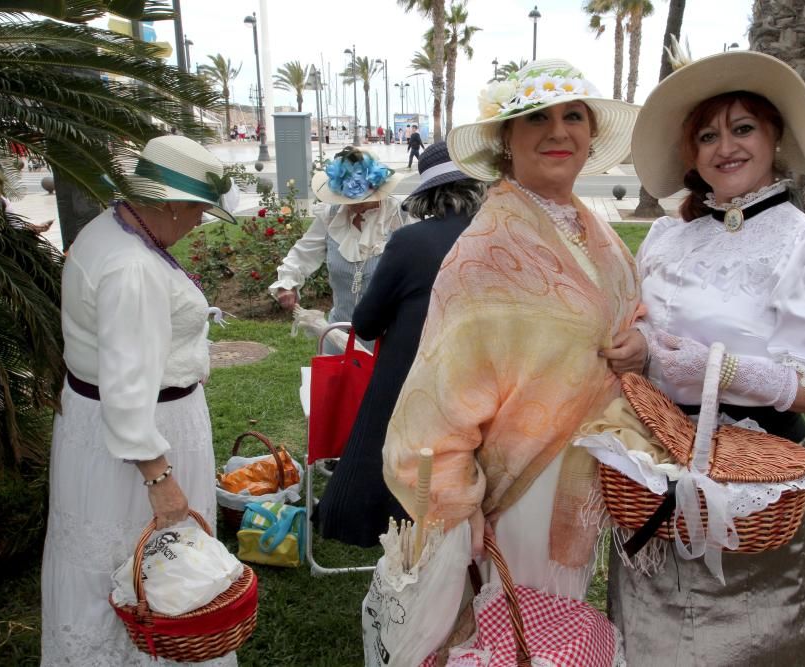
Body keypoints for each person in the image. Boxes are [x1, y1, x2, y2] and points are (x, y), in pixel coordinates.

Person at [610, 50, 805, 665]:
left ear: (775, 136)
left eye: (742, 127)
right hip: (650, 469)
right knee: (646, 632)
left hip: (749, 482)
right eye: (707, 135)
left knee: (740, 641)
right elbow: (653, 329)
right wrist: (643, 347)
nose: (724, 146)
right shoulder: (668, 235)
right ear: (691, 153)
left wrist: (722, 370)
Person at [381, 58, 643, 657]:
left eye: (573, 116)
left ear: (591, 133)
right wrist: (454, 504)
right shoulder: (486, 251)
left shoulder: (591, 229)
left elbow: (627, 312)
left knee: (558, 618)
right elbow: (439, 393)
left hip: (583, 472)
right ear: (507, 141)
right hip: (515, 486)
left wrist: (642, 345)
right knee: (513, 626)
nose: (558, 132)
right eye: (536, 119)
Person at [41, 135, 239, 665]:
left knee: (106, 558)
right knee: (147, 559)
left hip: (98, 432)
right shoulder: (134, 268)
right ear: (169, 203)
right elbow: (128, 391)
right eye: (198, 209)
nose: (199, 222)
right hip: (141, 442)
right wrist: (160, 479)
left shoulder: (109, 230)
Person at [317, 141, 487, 547]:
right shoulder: (497, 239)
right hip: (480, 383)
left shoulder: (411, 241)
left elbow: (366, 323)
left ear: (427, 194)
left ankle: (385, 524)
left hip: (409, 378)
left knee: (387, 447)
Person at [268, 147, 407, 354]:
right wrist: (286, 283)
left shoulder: (399, 217)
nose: (354, 206)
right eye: (348, 200)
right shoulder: (331, 216)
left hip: (388, 341)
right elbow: (302, 253)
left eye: (361, 200)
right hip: (338, 335)